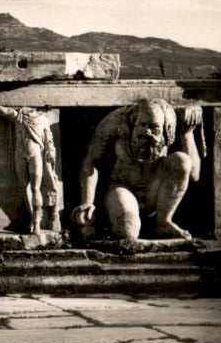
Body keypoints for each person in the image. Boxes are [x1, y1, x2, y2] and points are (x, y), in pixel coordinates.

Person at [71, 98, 201, 240]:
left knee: (182, 161)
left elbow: (193, 175)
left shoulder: (172, 123)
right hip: (122, 187)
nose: (147, 132)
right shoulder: (115, 122)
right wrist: (87, 201)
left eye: (154, 127)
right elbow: (91, 161)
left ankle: (163, 221)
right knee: (127, 231)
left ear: (165, 129)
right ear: (134, 122)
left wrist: (187, 134)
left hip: (156, 191)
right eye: (142, 125)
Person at [0, 104, 60, 235]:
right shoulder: (19, 116)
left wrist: (51, 153)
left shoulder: (42, 119)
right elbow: (4, 110)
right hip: (20, 155)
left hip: (35, 156)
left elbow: (49, 141)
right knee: (25, 188)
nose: (26, 110)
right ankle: (33, 217)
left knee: (35, 188)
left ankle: (37, 223)